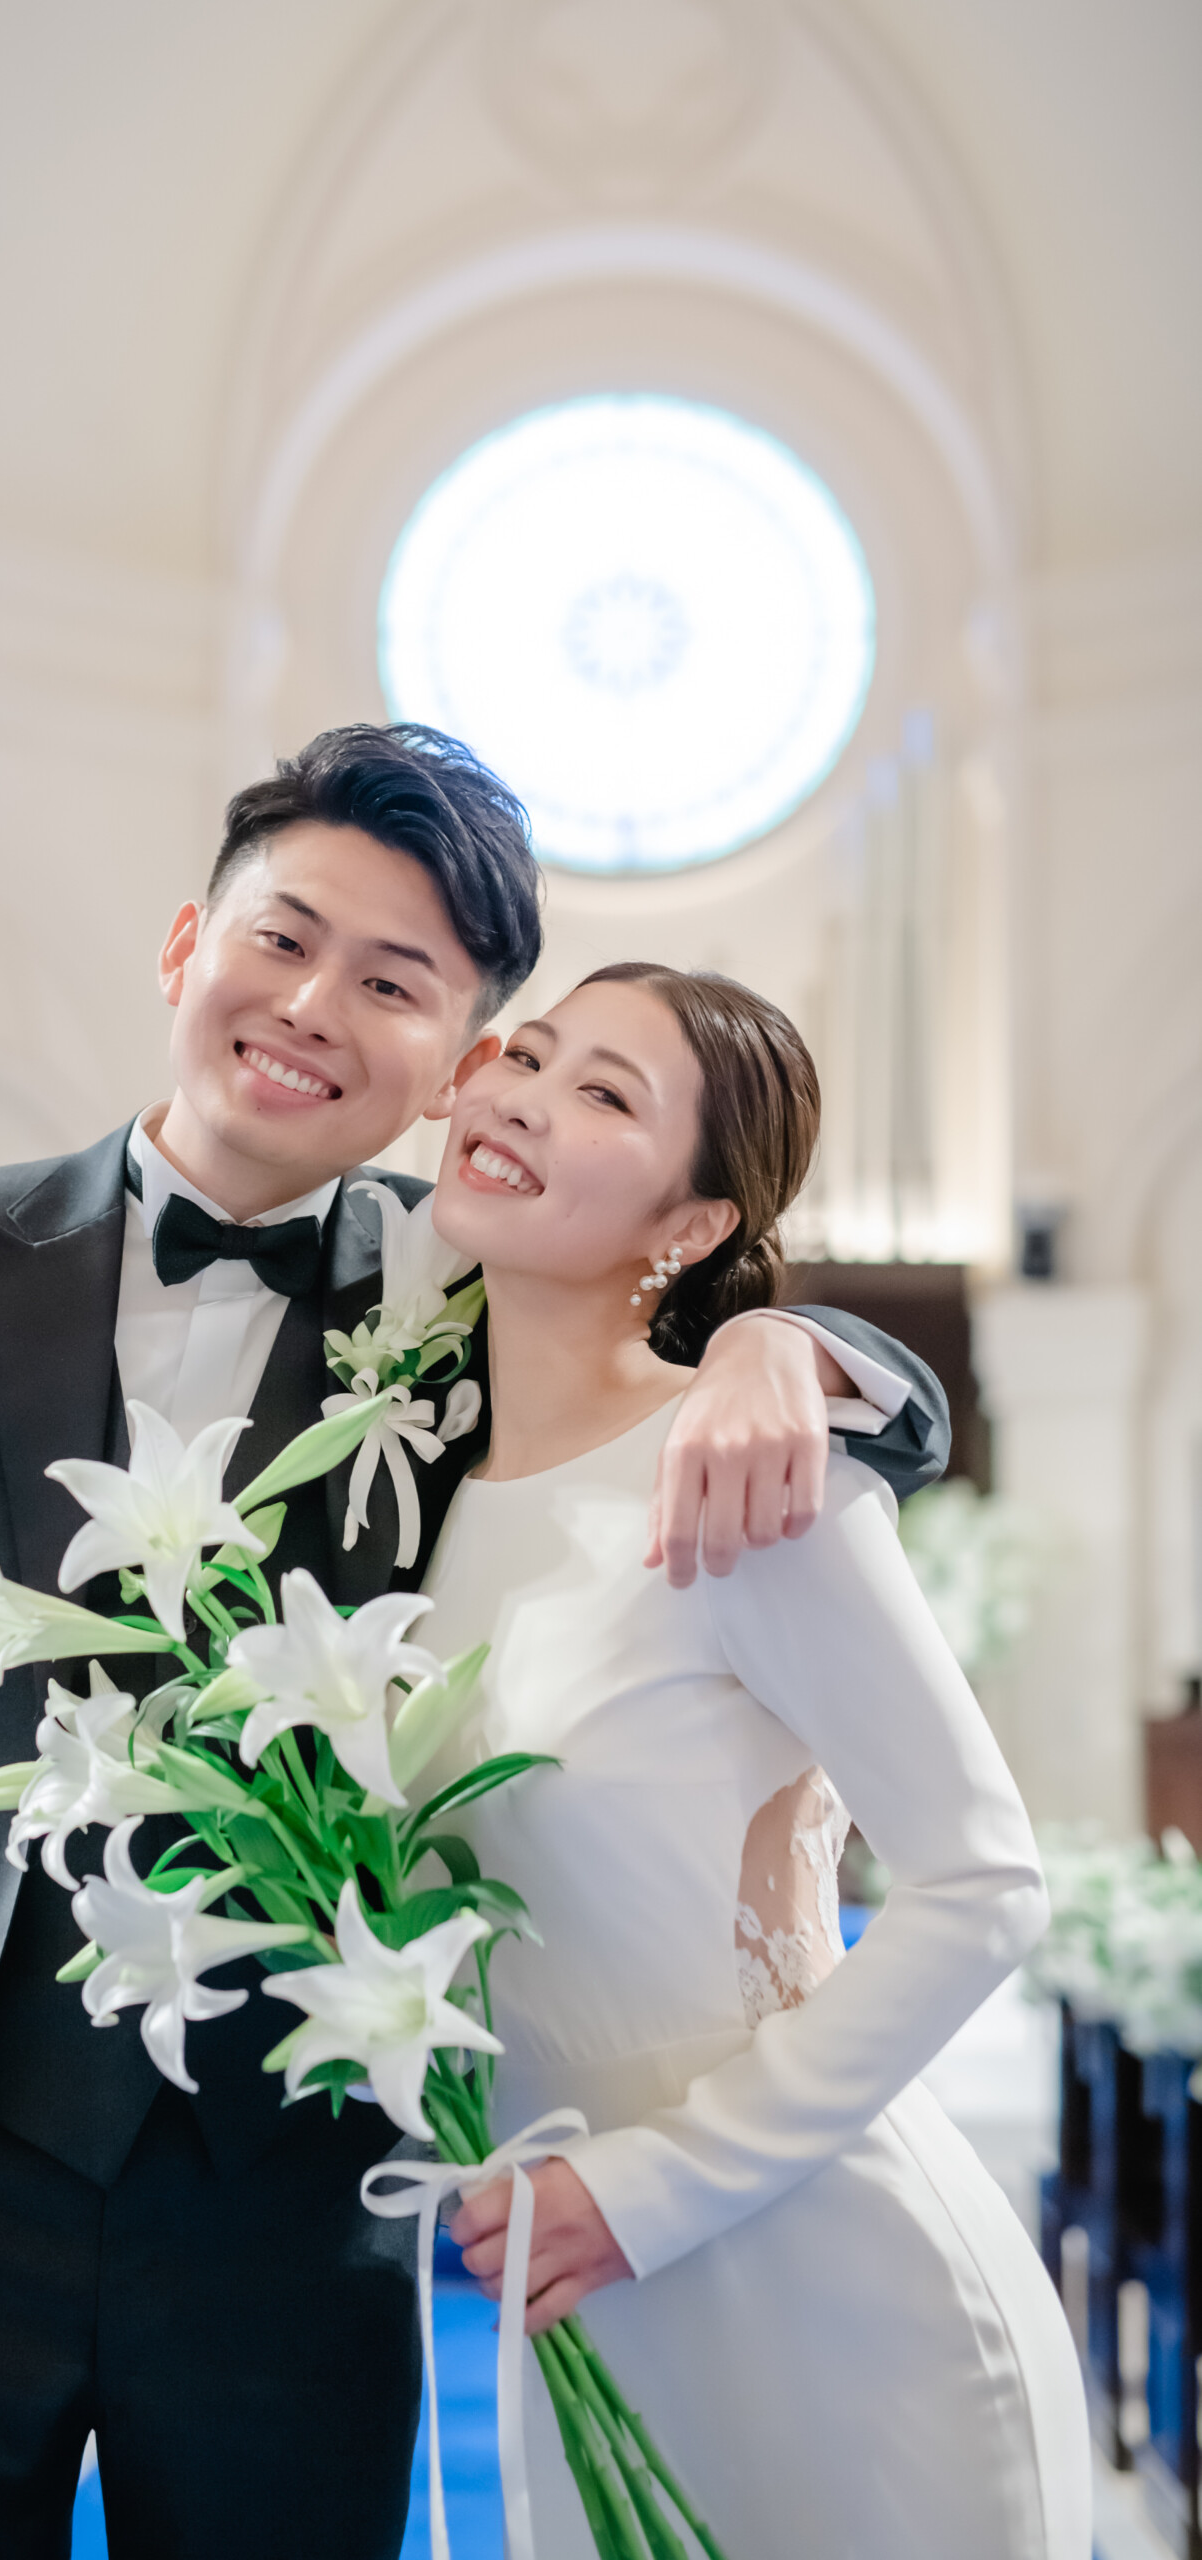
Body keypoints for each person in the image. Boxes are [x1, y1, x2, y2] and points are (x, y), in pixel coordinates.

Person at [0, 729, 947, 2558]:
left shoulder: (477, 1288)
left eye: (392, 983)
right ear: (185, 947)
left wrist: (786, 1344)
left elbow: (826, 1398)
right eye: (283, 940)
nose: (311, 1008)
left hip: (290, 2189)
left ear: (457, 1063)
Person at [433, 961, 1088, 2559]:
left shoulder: (746, 1477)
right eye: (530, 1054)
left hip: (830, 2296)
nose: (527, 1096)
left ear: (692, 1224)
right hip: (579, 2312)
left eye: (605, 1093)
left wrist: (659, 2188)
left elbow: (986, 1882)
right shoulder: (424, 1492)